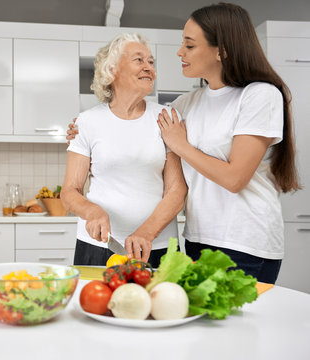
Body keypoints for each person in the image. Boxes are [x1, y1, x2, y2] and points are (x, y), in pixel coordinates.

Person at [67, 3, 299, 284]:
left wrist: (181, 145)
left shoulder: (258, 95)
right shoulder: (183, 105)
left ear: (221, 50)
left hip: (245, 240)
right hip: (198, 238)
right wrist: (81, 129)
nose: (178, 53)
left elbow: (233, 179)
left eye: (189, 46)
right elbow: (124, 129)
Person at [61, 33, 187, 268]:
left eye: (151, 62)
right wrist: (91, 212)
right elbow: (70, 191)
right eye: (139, 60)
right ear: (112, 70)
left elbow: (176, 190)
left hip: (156, 245)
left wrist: (146, 233)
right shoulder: (87, 122)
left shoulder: (167, 118)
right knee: (96, 305)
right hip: (100, 246)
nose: (149, 67)